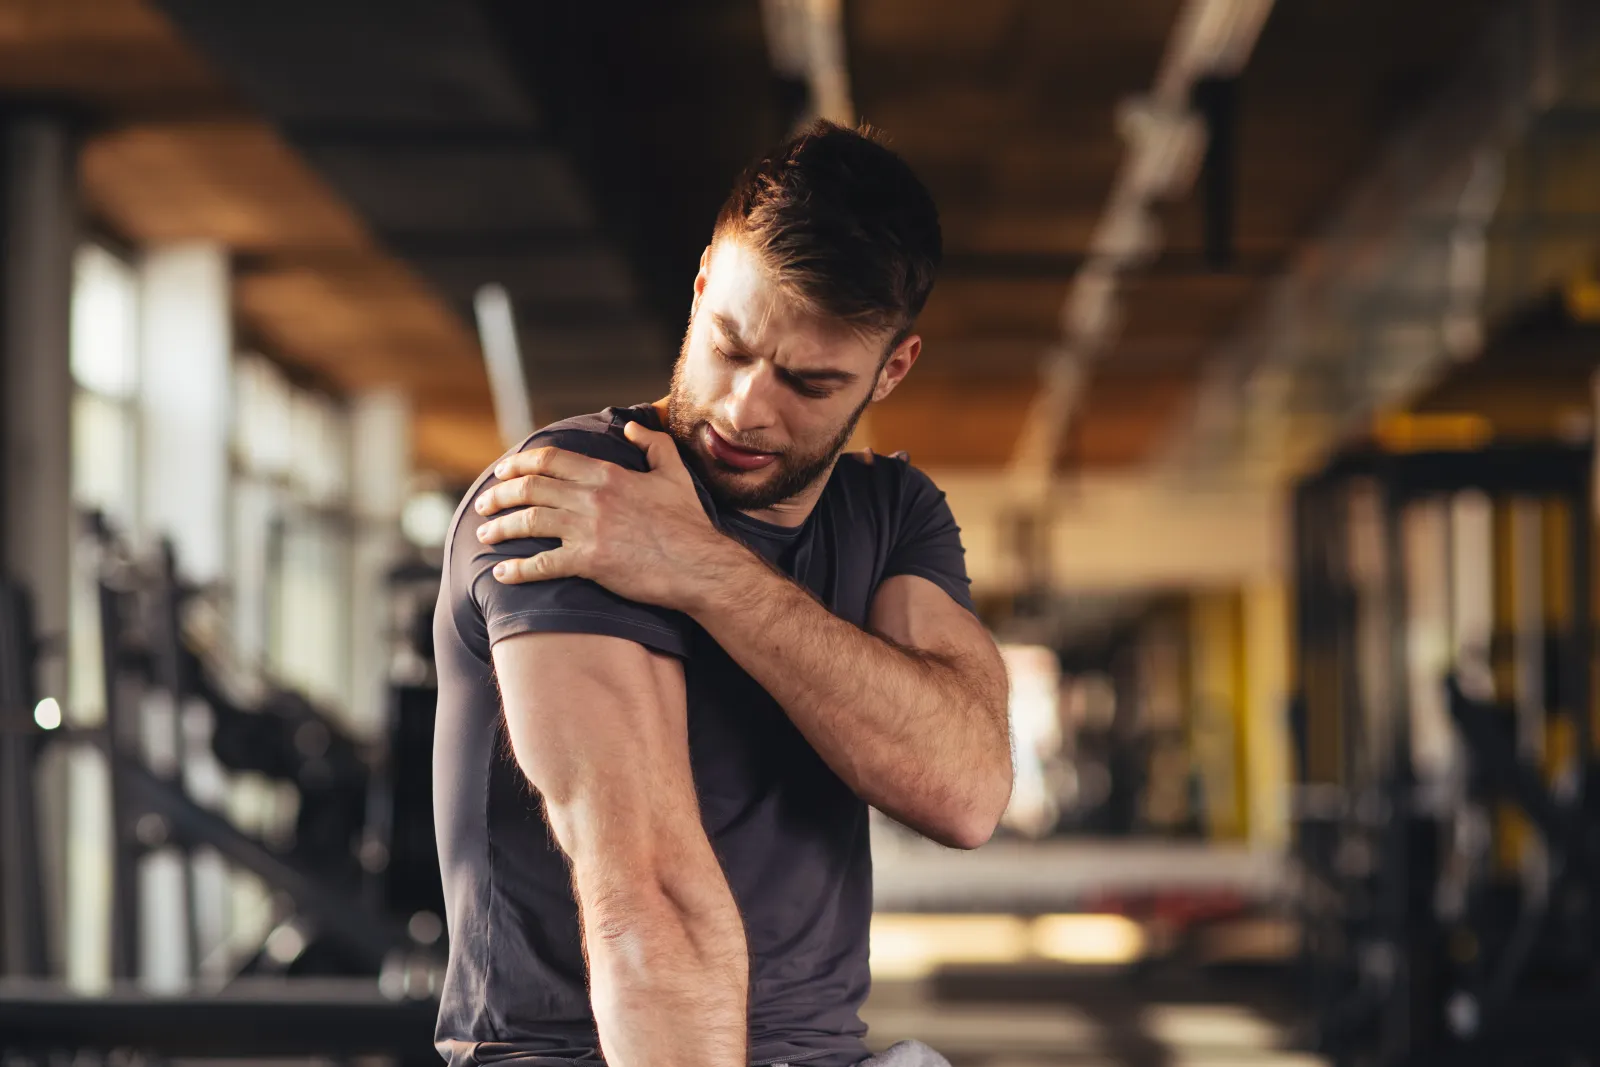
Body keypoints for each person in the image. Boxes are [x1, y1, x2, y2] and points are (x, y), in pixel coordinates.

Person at [432, 120, 1013, 1067]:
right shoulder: (575, 493)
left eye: (808, 381)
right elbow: (645, 898)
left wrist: (703, 570)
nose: (747, 405)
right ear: (702, 285)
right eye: (731, 345)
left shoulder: (891, 512)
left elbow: (967, 789)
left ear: (891, 370)